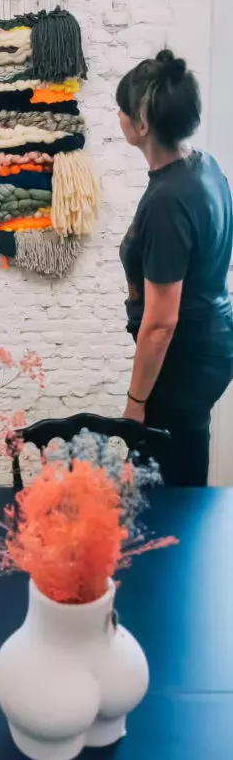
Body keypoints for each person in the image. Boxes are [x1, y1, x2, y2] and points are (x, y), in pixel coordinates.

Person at [117, 49, 233, 486]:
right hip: (211, 345)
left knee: (166, 489)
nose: (118, 116)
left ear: (142, 124)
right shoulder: (205, 167)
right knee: (184, 465)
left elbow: (161, 324)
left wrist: (135, 404)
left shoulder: (167, 201)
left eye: (123, 109)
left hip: (184, 359)